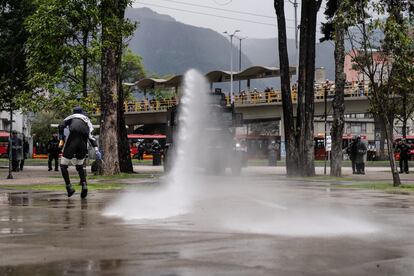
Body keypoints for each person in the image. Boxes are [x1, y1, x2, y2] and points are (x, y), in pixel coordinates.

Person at [58, 107, 101, 198]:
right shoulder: (87, 120)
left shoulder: (70, 117)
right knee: (79, 166)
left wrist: (61, 137)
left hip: (72, 142)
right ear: (82, 113)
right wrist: (96, 149)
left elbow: (60, 126)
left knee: (63, 165)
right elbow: (91, 136)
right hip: (82, 145)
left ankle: (69, 187)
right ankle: (84, 185)